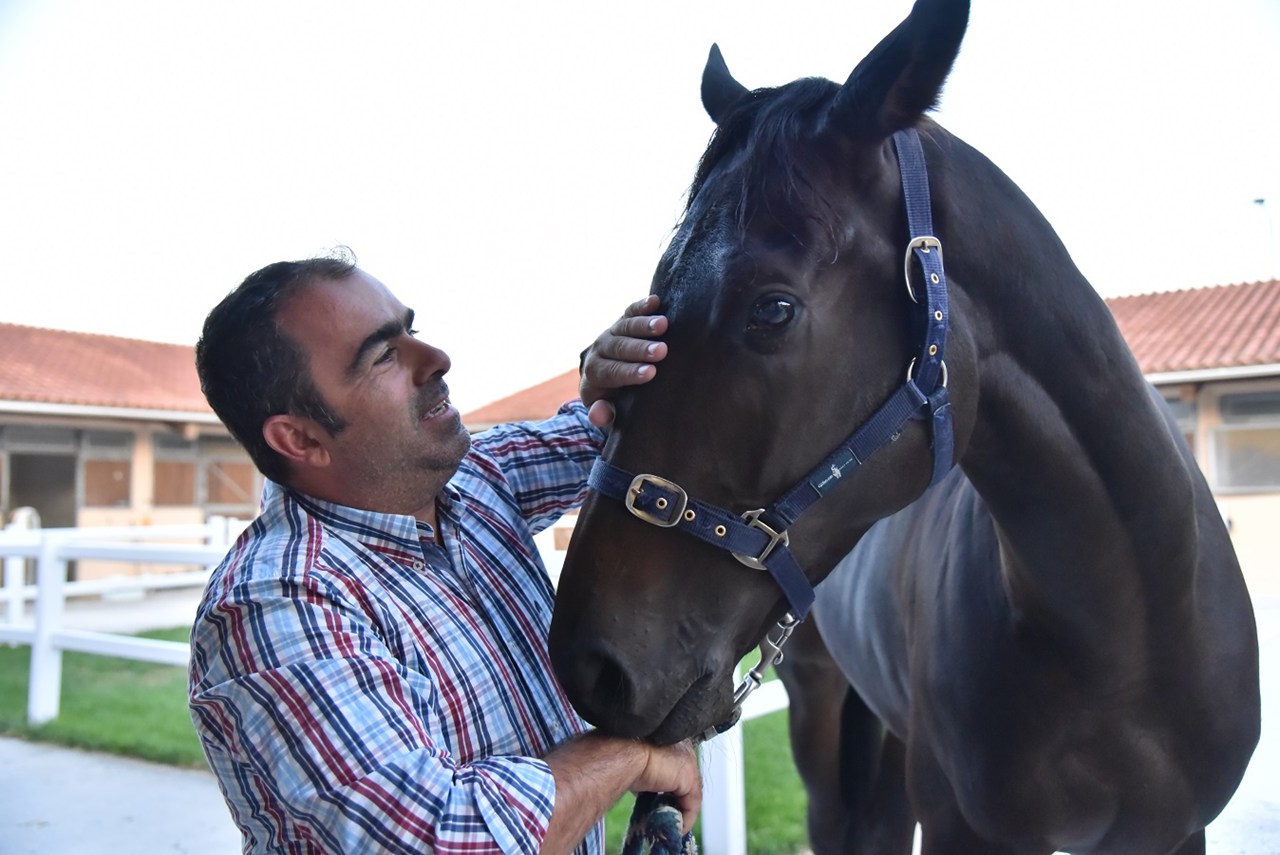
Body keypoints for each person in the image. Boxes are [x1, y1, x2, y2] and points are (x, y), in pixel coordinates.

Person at [188, 251, 700, 855]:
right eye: (383, 354)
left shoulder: (478, 482)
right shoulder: (277, 603)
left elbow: (620, 431)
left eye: (412, 331)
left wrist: (622, 367)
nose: (435, 360)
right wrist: (628, 756)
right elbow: (433, 840)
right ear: (300, 437)